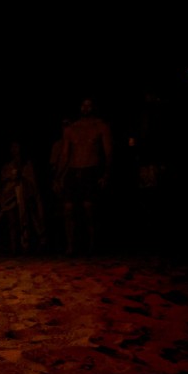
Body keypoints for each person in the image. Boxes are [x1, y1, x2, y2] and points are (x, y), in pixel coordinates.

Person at [56, 98, 113, 256]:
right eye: (83, 105)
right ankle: (70, 246)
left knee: (89, 208)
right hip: (74, 171)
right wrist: (59, 176)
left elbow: (108, 153)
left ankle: (92, 244)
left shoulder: (100, 126)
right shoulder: (71, 129)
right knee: (68, 209)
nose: (86, 108)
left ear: (94, 107)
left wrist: (106, 174)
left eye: (89, 105)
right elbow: (65, 154)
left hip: (91, 169)